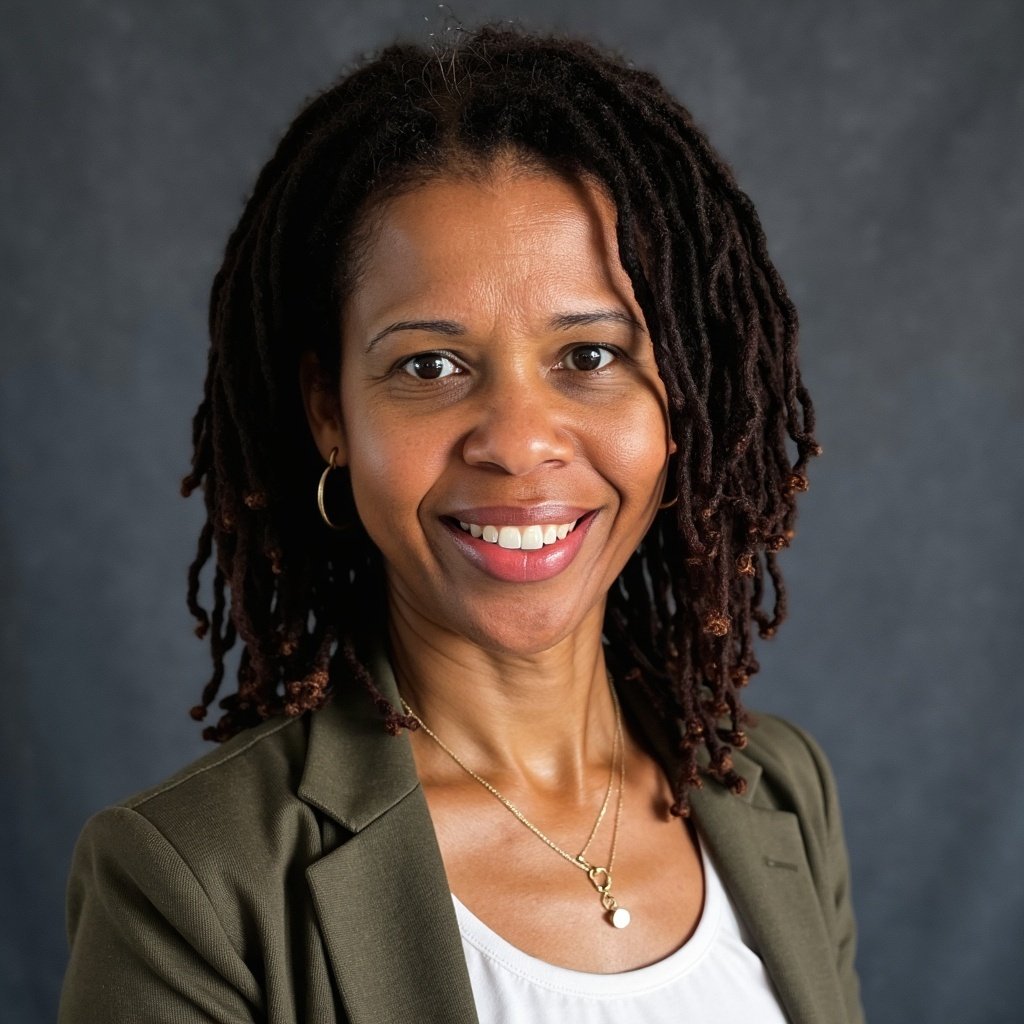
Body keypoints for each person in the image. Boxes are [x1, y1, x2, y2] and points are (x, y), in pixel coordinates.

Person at [60, 24, 863, 1024]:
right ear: (330, 413)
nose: (519, 442)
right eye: (429, 366)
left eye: (590, 355)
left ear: (682, 394)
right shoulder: (196, 879)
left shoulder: (773, 787)